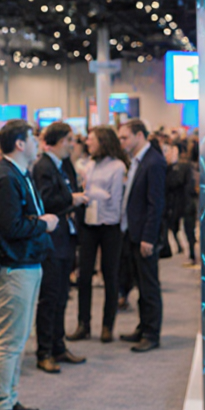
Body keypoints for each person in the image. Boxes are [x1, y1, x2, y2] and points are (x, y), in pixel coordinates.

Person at [0, 119, 59, 410]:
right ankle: (0, 407)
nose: (37, 142)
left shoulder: (17, 174)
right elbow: (11, 227)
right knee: (10, 342)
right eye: (32, 138)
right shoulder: (5, 178)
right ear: (19, 144)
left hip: (27, 264)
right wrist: (43, 223)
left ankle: (9, 400)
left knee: (17, 340)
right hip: (14, 268)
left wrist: (38, 222)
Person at [31, 122, 88, 373]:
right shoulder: (44, 166)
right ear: (55, 141)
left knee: (62, 297)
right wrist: (71, 199)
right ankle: (44, 351)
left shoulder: (62, 165)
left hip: (66, 238)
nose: (72, 144)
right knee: (50, 298)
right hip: (52, 241)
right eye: (68, 140)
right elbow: (45, 202)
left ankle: (58, 345)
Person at [69, 126, 128, 342]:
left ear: (103, 141)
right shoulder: (91, 164)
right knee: (84, 275)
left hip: (110, 226)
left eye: (91, 139)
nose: (87, 143)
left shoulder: (118, 166)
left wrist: (91, 194)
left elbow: (114, 199)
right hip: (89, 224)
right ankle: (83, 324)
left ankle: (107, 326)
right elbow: (91, 192)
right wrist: (91, 194)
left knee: (110, 275)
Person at [117, 119, 166, 352]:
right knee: (140, 284)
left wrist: (148, 237)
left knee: (149, 287)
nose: (121, 142)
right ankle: (143, 327)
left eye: (124, 137)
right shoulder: (138, 160)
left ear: (139, 135)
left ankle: (151, 333)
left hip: (144, 236)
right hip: (133, 233)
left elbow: (155, 204)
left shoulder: (153, 162)